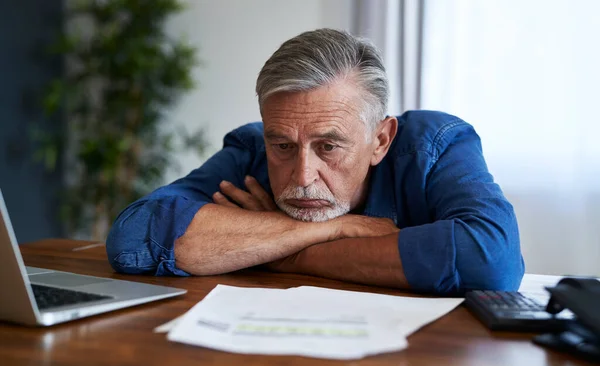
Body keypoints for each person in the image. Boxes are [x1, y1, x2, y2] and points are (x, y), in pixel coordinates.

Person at [106, 29, 524, 294]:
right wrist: (333, 229)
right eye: (284, 147)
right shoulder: (251, 149)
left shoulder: (435, 145)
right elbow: (131, 239)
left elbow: (491, 260)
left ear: (380, 139)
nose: (302, 176)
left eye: (329, 146)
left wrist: (281, 252)